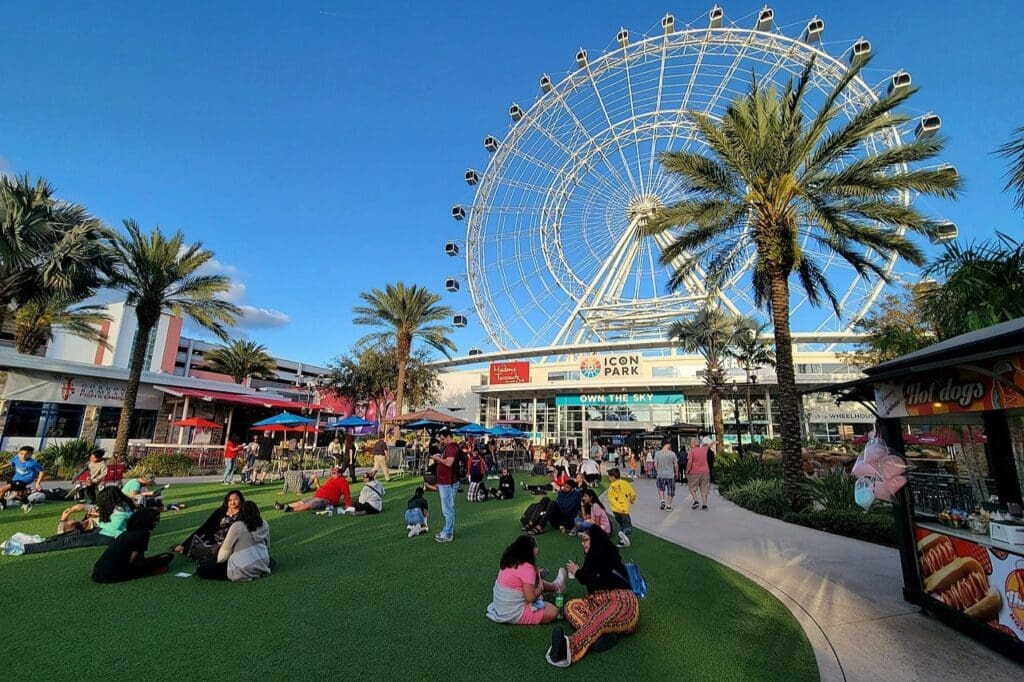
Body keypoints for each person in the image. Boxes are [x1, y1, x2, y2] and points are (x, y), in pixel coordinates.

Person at [546, 526, 639, 667]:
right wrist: (580, 571)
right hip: (598, 601)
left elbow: (596, 579)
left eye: (586, 540)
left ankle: (567, 648)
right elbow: (591, 583)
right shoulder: (591, 558)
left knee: (598, 618)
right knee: (571, 606)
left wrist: (577, 572)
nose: (582, 543)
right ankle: (601, 638)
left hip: (620, 599)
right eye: (582, 540)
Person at [11, 486, 133, 555]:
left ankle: (24, 549)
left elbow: (114, 528)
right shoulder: (120, 504)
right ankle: (37, 542)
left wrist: (96, 520)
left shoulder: (122, 511)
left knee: (70, 542)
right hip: (103, 530)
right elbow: (99, 510)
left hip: (110, 536)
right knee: (67, 536)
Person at [487, 535, 567, 626]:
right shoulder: (527, 567)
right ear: (529, 551)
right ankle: (557, 587)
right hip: (512, 612)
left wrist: (535, 577)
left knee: (534, 583)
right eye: (536, 547)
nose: (538, 549)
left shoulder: (509, 560)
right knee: (554, 612)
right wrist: (540, 587)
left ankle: (557, 586)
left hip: (500, 607)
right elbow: (530, 598)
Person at [92, 509, 175, 584]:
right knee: (167, 557)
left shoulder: (128, 531)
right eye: (155, 520)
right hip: (114, 574)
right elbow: (133, 559)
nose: (156, 523)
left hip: (98, 572)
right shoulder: (143, 534)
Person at [197, 501, 271, 581]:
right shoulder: (264, 524)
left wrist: (217, 561)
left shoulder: (238, 526)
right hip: (262, 563)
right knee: (271, 560)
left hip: (241, 569)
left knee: (203, 569)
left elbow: (224, 553)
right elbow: (267, 546)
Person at [174, 489, 245, 561]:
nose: (232, 502)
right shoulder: (221, 511)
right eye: (230, 500)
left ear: (240, 499)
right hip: (214, 538)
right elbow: (206, 526)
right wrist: (184, 544)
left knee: (216, 552)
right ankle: (185, 548)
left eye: (235, 499)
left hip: (230, 542)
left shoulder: (244, 512)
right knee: (195, 544)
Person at [274, 467, 352, 513]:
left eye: (334, 473)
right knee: (302, 501)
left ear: (340, 474)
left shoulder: (343, 482)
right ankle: (283, 506)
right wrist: (318, 485)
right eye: (332, 472)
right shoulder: (331, 479)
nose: (332, 474)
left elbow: (346, 495)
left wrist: (348, 505)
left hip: (326, 499)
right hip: (318, 495)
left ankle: (292, 509)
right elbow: (324, 487)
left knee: (310, 504)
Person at [432, 429, 458, 543]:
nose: (442, 441)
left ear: (448, 437)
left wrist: (438, 459)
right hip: (446, 482)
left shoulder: (452, 448)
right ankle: (447, 530)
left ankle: (448, 533)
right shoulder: (449, 448)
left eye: (443, 439)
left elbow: (449, 463)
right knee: (448, 509)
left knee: (447, 509)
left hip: (448, 483)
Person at [0, 446, 45, 511]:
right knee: (19, 494)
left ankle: (2, 503)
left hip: (23, 481)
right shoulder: (16, 458)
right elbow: (9, 464)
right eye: (21, 453)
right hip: (15, 479)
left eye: (27, 454)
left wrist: (38, 483)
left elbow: (41, 471)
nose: (24, 456)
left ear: (31, 454)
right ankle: (26, 503)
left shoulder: (32, 463)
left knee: (2, 489)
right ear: (18, 453)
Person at [606, 468, 636, 548]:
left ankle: (621, 541)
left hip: (616, 510)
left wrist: (617, 507)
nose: (609, 478)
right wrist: (632, 500)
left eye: (609, 477)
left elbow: (610, 498)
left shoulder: (612, 487)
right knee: (628, 527)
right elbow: (633, 494)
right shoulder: (625, 483)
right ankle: (625, 533)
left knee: (620, 524)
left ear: (612, 477)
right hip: (624, 510)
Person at [687, 438, 712, 511]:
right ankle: (705, 505)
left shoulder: (691, 451)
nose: (690, 445)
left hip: (694, 472)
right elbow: (709, 445)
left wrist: (687, 471)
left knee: (692, 487)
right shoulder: (704, 449)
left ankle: (696, 501)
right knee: (704, 488)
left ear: (693, 444)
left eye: (690, 443)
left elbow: (689, 462)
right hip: (705, 472)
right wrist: (714, 442)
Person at [654, 440, 680, 511]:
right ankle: (668, 505)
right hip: (670, 475)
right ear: (666, 444)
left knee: (660, 488)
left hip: (660, 475)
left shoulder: (657, 453)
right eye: (669, 444)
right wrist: (677, 473)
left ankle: (662, 500)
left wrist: (658, 471)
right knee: (671, 490)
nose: (670, 446)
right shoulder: (672, 454)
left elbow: (655, 464)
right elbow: (676, 465)